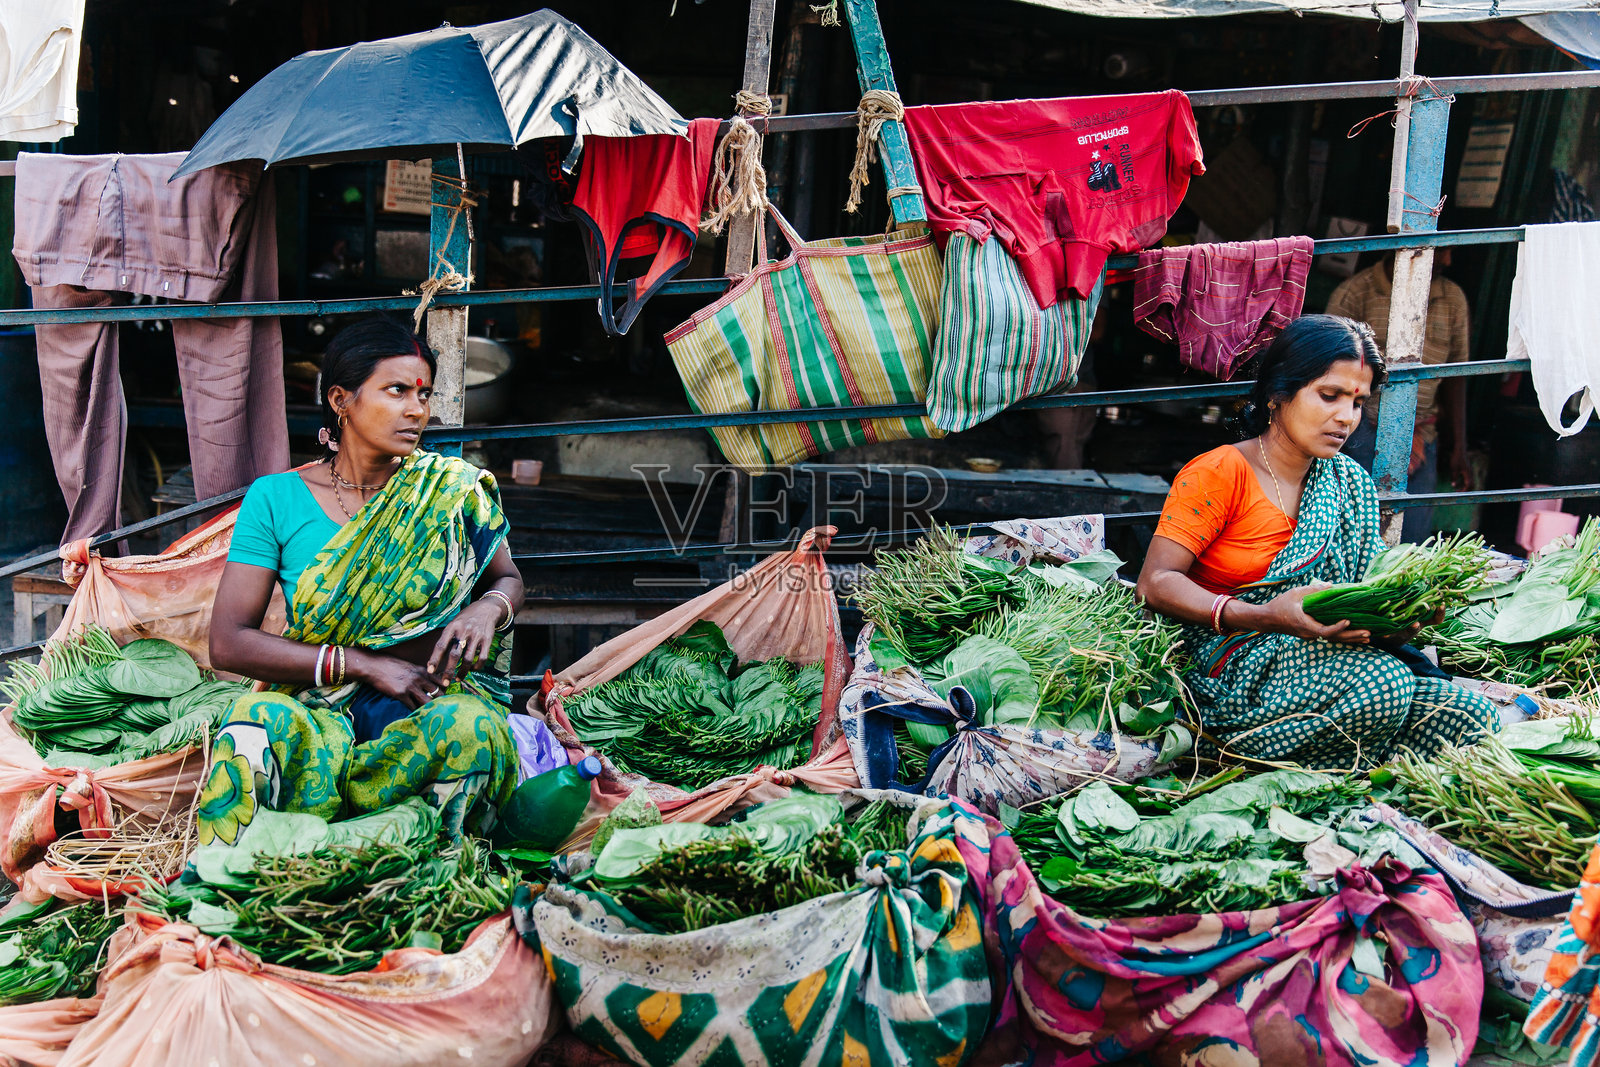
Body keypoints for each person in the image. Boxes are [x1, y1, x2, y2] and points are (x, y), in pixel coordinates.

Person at [198, 315, 523, 845]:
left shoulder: (450, 491)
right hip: (317, 706)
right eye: (396, 391)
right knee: (254, 719)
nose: (417, 409)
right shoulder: (276, 499)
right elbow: (229, 642)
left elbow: (507, 579)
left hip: (423, 705)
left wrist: (487, 608)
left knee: (475, 730)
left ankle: (441, 876)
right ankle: (240, 878)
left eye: (424, 394)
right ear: (341, 400)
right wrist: (367, 666)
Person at [1135, 314, 1497, 770]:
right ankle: (1237, 751)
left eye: (1358, 402)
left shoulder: (1349, 483)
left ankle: (1340, 753)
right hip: (1231, 660)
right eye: (1329, 396)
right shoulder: (1221, 471)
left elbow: (1360, 592)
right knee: (1383, 686)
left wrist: (1400, 622)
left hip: (1326, 658)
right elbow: (1155, 583)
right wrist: (1266, 617)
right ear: (1277, 394)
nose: (1346, 417)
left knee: (1472, 716)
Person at [1325, 249, 1472, 541]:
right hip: (1360, 430)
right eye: (1441, 250)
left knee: (1412, 542)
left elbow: (1457, 379)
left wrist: (1459, 447)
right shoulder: (1355, 293)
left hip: (1423, 435)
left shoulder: (1452, 299)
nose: (1447, 261)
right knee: (1354, 534)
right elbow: (1326, 372)